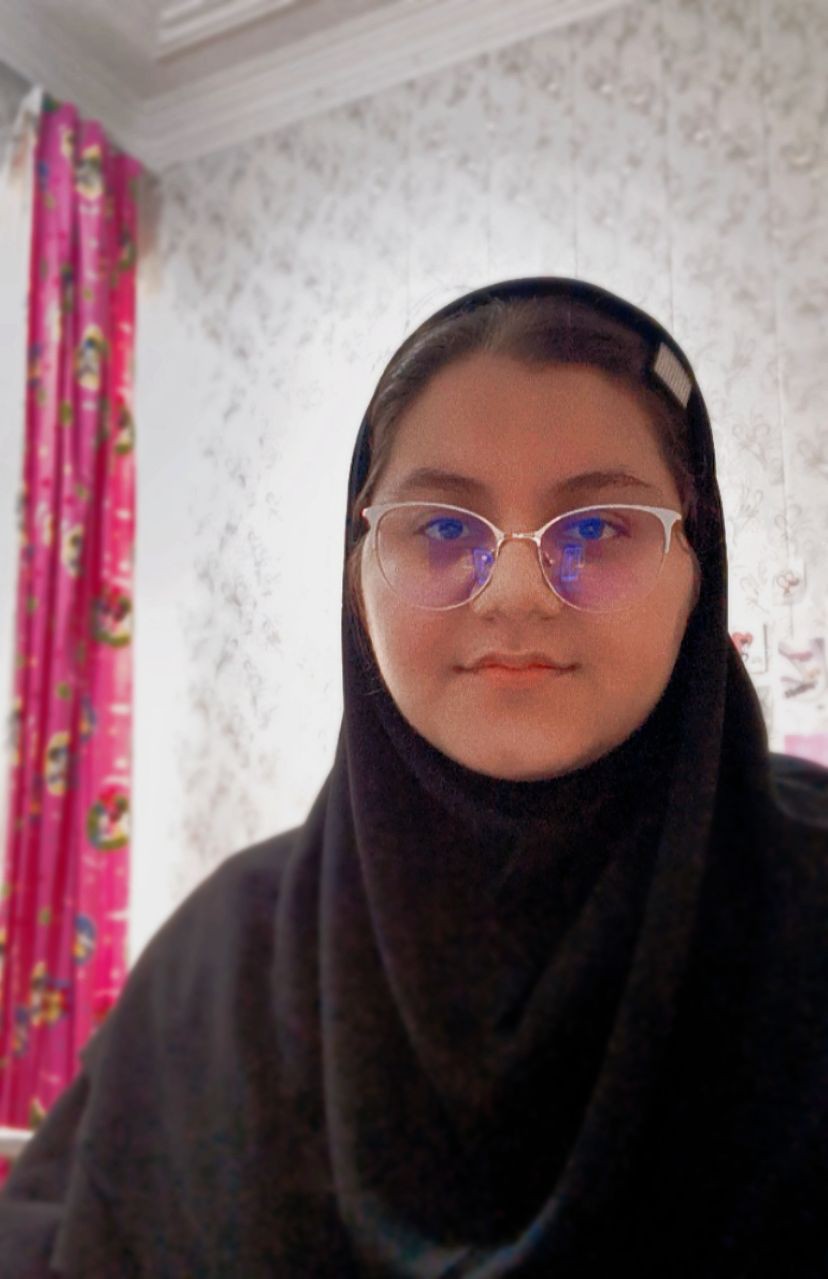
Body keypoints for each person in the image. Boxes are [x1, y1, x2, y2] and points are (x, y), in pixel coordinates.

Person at [1, 276, 826, 1277]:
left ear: (699, 567)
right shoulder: (216, 972)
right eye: (441, 528)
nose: (516, 596)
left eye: (598, 527)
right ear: (358, 575)